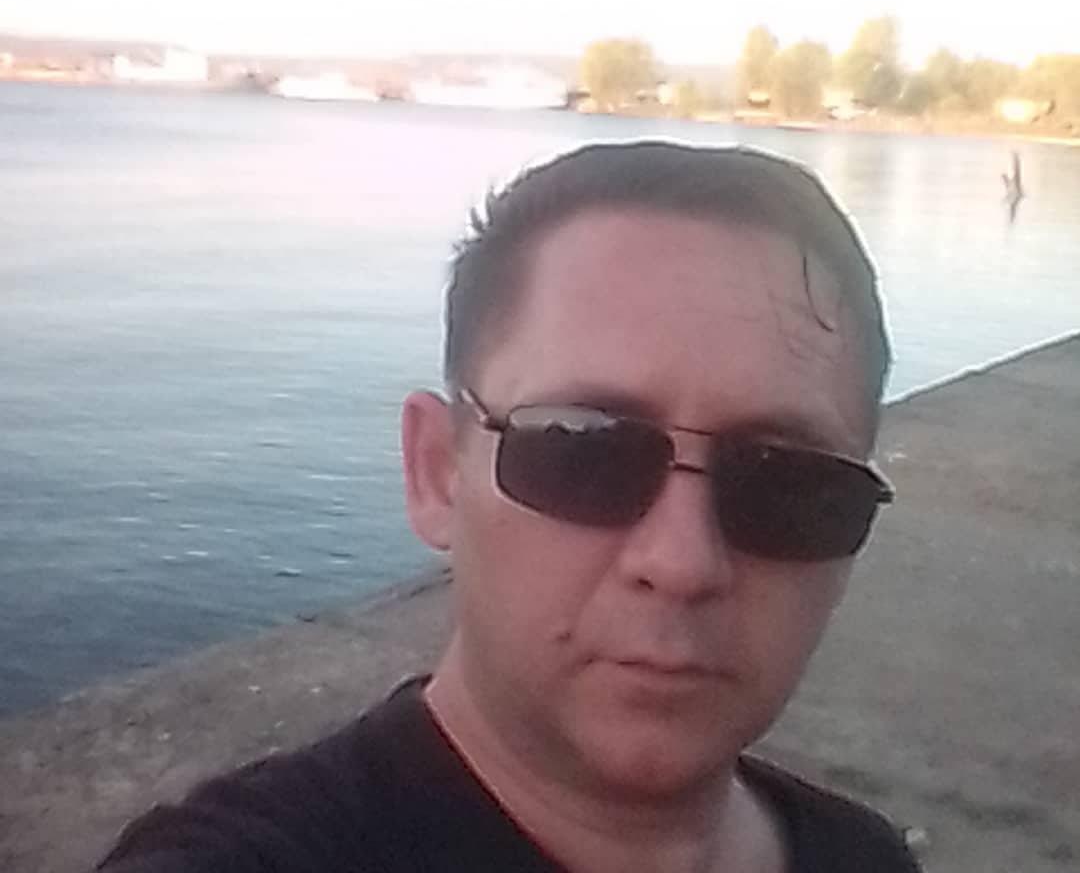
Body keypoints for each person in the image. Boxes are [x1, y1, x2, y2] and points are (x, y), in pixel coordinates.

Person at [97, 140, 920, 872]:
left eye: (788, 481)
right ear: (436, 472)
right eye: (583, 451)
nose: (681, 562)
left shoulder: (862, 857)